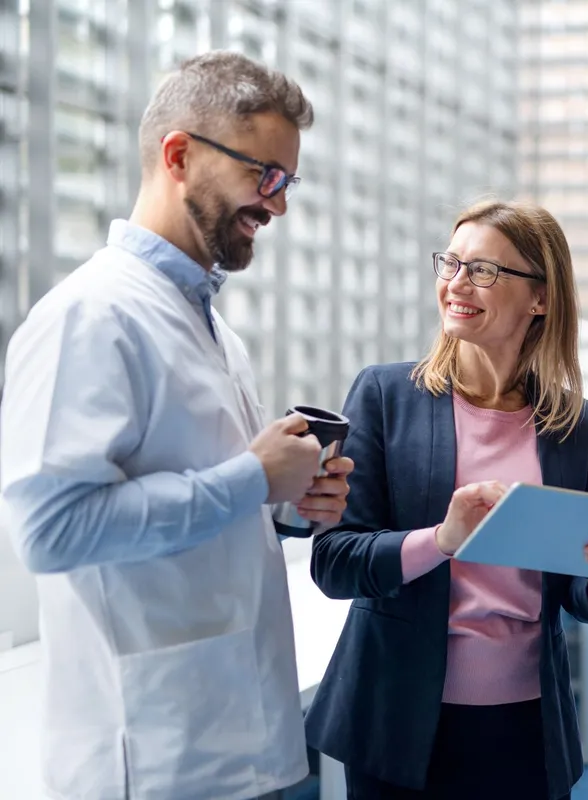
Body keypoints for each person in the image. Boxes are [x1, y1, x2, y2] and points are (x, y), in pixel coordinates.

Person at [0, 52, 353, 800]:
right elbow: (51, 531)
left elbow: (214, 493)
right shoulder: (87, 318)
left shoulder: (216, 330)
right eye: (266, 176)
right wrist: (251, 478)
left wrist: (289, 501)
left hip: (239, 740)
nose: (278, 204)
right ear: (179, 155)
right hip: (152, 758)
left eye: (287, 182)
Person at [303, 199, 588, 800]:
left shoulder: (577, 425)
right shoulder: (386, 395)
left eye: (485, 271)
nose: (457, 284)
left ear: (540, 297)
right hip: (397, 721)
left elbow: (575, 592)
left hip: (525, 725)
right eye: (451, 263)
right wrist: (442, 540)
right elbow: (333, 562)